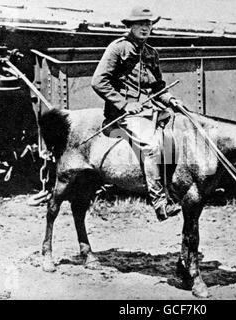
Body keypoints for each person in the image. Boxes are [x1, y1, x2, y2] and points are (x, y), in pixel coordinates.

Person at [91, 6, 182, 222]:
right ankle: (160, 203)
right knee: (151, 146)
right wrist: (124, 104)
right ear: (130, 26)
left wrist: (171, 100)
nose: (145, 28)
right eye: (141, 23)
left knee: (176, 136)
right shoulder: (117, 48)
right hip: (123, 114)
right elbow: (98, 82)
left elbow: (159, 88)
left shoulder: (151, 53)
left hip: (150, 111)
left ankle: (174, 189)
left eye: (149, 24)